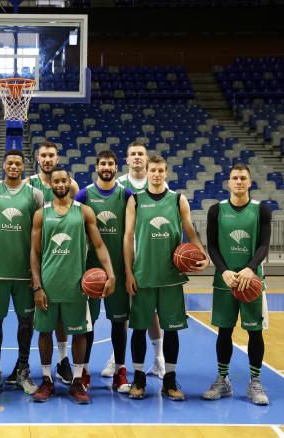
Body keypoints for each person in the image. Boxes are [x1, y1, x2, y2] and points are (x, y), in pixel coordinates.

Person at [124, 155, 209, 401]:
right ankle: (138, 379)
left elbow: (190, 230)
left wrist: (203, 255)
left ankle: (169, 380)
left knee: (172, 330)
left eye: (161, 170)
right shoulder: (136, 200)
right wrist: (129, 271)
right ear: (147, 173)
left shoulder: (178, 199)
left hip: (172, 276)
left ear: (166, 173)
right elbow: (128, 237)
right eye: (153, 170)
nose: (157, 174)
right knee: (139, 329)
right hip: (143, 274)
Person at [30, 165, 116, 404]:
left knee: (79, 334)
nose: (59, 184)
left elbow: (99, 246)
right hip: (48, 286)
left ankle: (77, 381)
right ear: (51, 184)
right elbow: (34, 254)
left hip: (76, 286)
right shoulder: (41, 214)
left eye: (63, 181)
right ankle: (47, 380)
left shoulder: (84, 211)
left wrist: (111, 275)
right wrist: (37, 286)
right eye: (55, 181)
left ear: (70, 183)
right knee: (45, 332)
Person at [202, 163, 271, 406]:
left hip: (252, 281)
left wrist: (250, 268)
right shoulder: (216, 211)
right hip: (225, 282)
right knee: (224, 331)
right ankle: (223, 380)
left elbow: (263, 245)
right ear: (228, 183)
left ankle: (255, 382)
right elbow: (211, 245)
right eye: (235, 178)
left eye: (243, 178)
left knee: (254, 331)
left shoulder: (261, 210)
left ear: (249, 182)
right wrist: (224, 271)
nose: (239, 182)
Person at [0, 149, 45, 396]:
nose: (14, 166)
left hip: (25, 271)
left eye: (18, 163)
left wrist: (38, 274)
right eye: (10, 163)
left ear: (23, 167)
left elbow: (40, 235)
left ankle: (23, 372)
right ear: (3, 166)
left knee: (26, 322)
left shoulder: (35, 195)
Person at [104, 141, 165, 379]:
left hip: (150, 257)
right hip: (125, 257)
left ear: (147, 159)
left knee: (150, 312)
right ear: (127, 160)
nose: (137, 157)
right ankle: (116, 358)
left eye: (141, 154)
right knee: (120, 313)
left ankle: (159, 359)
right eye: (133, 154)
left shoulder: (158, 184)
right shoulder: (118, 187)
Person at [75, 150, 131, 392]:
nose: (106, 167)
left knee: (119, 322)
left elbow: (130, 235)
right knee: (88, 324)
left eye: (111, 163)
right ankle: (85, 370)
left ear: (116, 167)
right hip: (90, 269)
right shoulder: (84, 194)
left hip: (117, 266)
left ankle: (120, 370)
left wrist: (129, 270)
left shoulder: (126, 195)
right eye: (103, 163)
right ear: (96, 166)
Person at [25, 140, 79, 384]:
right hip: (35, 258)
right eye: (43, 155)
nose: (47, 159)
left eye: (51, 156)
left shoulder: (71, 186)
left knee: (60, 317)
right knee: (34, 317)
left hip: (62, 261)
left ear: (57, 158)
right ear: (37, 158)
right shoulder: (29, 185)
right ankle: (24, 363)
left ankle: (63, 359)